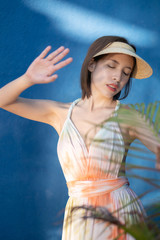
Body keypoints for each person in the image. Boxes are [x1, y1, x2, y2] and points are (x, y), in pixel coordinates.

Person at [0, 36, 160, 240]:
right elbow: (3, 100)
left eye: (125, 73)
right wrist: (28, 79)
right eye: (111, 66)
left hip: (121, 214)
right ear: (92, 64)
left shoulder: (130, 116)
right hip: (79, 218)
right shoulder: (59, 113)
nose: (117, 77)